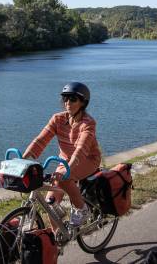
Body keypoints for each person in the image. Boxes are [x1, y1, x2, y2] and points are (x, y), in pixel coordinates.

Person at [23, 82, 102, 226]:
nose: (67, 102)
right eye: (65, 99)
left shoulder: (88, 123)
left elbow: (81, 150)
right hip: (65, 161)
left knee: (64, 179)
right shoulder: (58, 119)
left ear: (83, 103)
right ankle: (58, 242)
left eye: (72, 99)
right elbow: (41, 140)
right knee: (50, 204)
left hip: (88, 159)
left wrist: (68, 169)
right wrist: (22, 160)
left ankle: (83, 210)